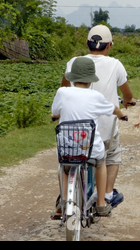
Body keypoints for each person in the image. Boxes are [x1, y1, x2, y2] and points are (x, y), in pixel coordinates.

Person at [61, 25, 135, 209]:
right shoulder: (115, 64)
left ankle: (64, 198)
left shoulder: (74, 62)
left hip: (72, 130)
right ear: (109, 45)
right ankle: (107, 194)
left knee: (66, 159)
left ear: (87, 43)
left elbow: (63, 88)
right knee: (111, 156)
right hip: (102, 131)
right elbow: (127, 93)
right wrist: (128, 101)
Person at [52, 57, 127, 216]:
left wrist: (55, 116)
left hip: (67, 146)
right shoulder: (96, 96)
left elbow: (55, 112)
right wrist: (121, 114)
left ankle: (64, 200)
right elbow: (113, 108)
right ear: (91, 80)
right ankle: (101, 204)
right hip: (89, 148)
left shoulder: (62, 92)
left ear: (72, 78)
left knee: (64, 165)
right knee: (100, 162)